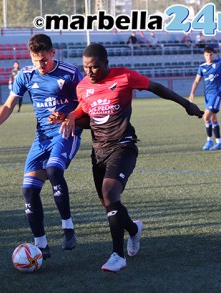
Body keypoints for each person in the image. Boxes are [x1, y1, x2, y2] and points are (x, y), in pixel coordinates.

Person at [52, 43, 203, 272]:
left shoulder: (124, 77)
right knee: (109, 204)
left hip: (123, 146)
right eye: (85, 67)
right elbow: (88, 118)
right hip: (98, 150)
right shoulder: (83, 87)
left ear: (106, 64)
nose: (89, 72)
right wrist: (68, 117)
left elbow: (157, 88)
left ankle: (117, 255)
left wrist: (186, 104)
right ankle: (133, 230)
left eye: (93, 67)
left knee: (110, 192)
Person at [0, 34, 83, 259]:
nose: (41, 65)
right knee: (28, 189)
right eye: (36, 60)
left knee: (54, 170)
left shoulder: (70, 72)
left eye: (44, 60)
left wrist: (68, 114)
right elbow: (9, 104)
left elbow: (85, 100)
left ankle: (68, 228)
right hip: (42, 139)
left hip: (66, 132)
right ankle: (42, 245)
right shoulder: (25, 75)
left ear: (52, 53)